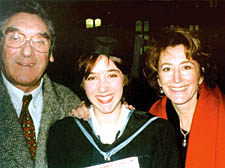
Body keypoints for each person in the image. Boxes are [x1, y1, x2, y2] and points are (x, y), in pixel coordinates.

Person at [47, 37, 180, 168]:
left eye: (112, 75)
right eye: (92, 78)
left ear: (124, 79)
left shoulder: (157, 132)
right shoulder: (63, 134)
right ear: (83, 84)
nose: (103, 87)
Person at [0, 1, 80, 167]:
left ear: (51, 53)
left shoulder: (70, 105)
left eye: (39, 41)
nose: (27, 51)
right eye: (15, 38)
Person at [143, 27, 225, 168]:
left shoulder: (222, 114)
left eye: (186, 67)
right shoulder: (151, 119)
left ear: (201, 75)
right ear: (158, 79)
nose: (177, 79)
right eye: (167, 69)